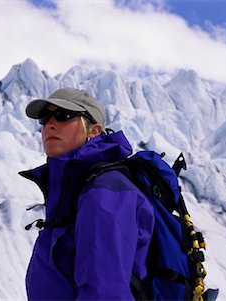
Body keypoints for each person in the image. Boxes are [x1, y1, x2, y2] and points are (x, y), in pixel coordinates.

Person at [20, 88, 155, 300]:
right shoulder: (73, 187)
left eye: (64, 115)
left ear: (94, 131)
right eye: (45, 118)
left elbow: (105, 292)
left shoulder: (104, 192)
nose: (50, 124)